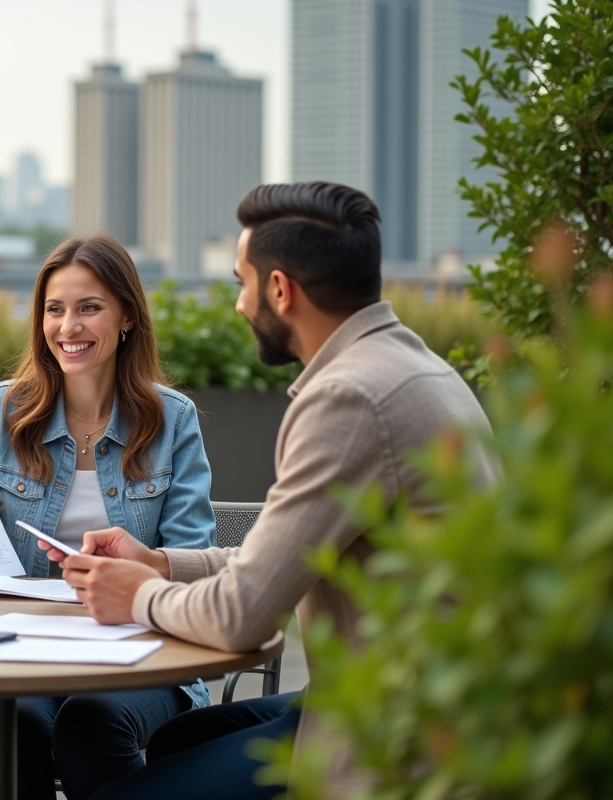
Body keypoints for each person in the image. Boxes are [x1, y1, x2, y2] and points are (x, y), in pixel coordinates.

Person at [44, 183, 500, 799]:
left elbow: (242, 617)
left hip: (395, 732)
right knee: (177, 744)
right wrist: (158, 562)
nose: (237, 305)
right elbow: (281, 556)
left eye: (241, 283)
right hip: (406, 696)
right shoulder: (410, 366)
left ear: (280, 290)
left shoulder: (349, 399)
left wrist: (140, 595)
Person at [0, 234, 219, 800]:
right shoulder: (3, 410)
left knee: (90, 723)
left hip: (142, 656)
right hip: (21, 649)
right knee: (11, 724)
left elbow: (194, 556)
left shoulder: (173, 420)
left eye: (89, 307)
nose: (68, 327)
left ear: (126, 317)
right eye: (54, 309)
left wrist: (138, 573)